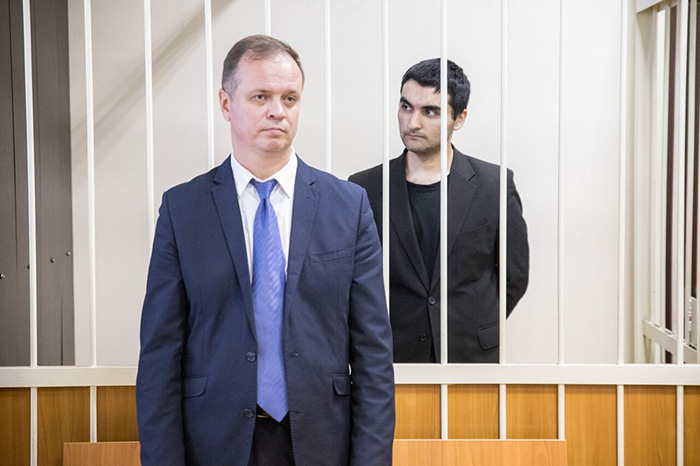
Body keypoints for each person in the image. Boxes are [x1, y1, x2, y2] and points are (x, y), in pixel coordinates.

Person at [136, 35, 395, 466]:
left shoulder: (348, 207)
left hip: (321, 443)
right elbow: (160, 356)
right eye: (261, 96)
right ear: (226, 103)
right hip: (214, 443)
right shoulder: (183, 210)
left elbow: (374, 355)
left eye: (289, 98)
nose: (278, 110)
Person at [349, 58, 529, 364]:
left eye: (430, 111)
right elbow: (352, 281)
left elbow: (515, 277)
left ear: (459, 118)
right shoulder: (364, 187)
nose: (412, 122)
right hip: (392, 357)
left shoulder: (494, 185)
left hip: (471, 357)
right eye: (406, 107)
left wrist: (474, 324)